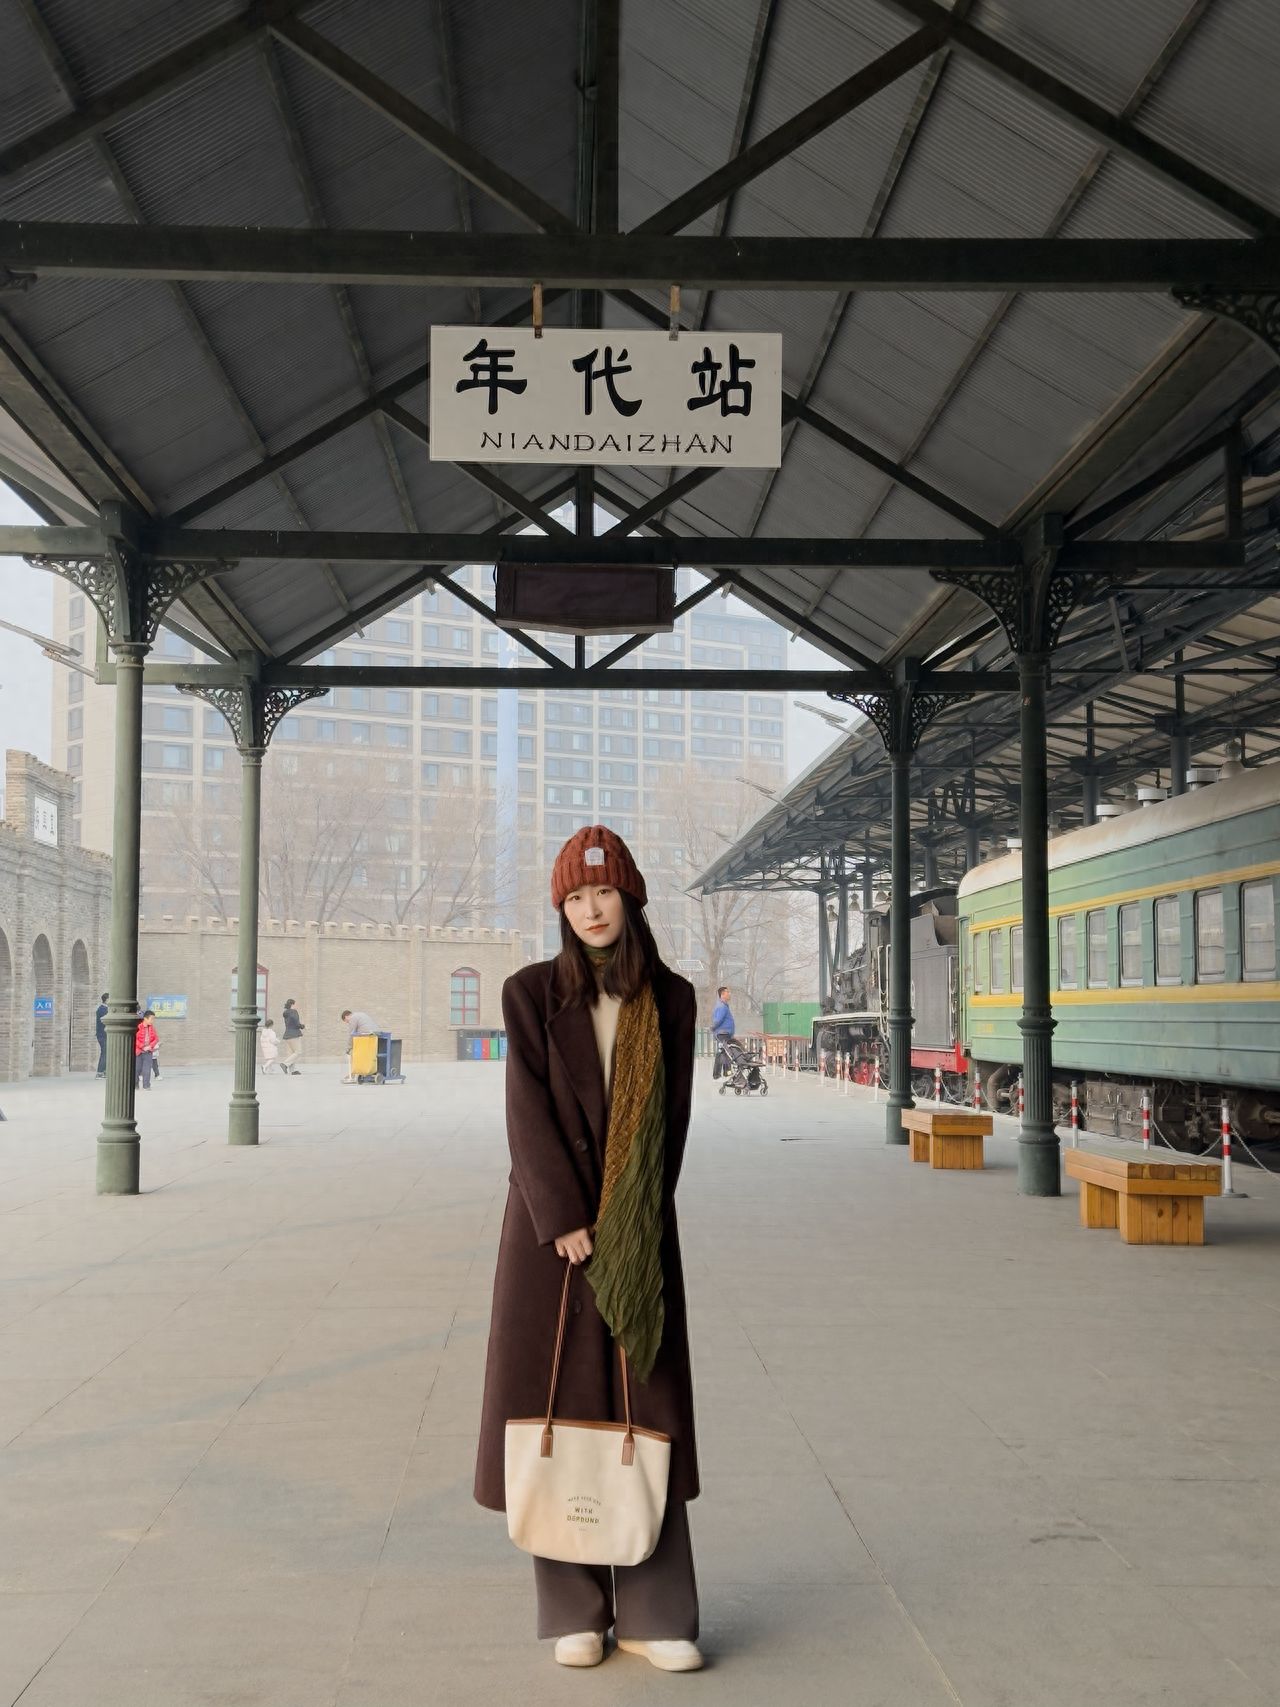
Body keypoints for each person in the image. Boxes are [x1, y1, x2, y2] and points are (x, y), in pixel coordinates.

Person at [475, 825, 703, 1674]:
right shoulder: (531, 992)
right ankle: (572, 1604)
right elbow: (524, 1112)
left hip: (637, 1231)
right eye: (575, 896)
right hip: (553, 1237)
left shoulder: (671, 1000)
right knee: (560, 1407)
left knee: (649, 1413)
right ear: (561, 909)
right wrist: (565, 1213)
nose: (591, 908)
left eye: (603, 892)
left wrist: (635, 1216)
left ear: (630, 896)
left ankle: (656, 1610)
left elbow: (671, 1122)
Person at [340, 1008, 380, 1082]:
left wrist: (348, 1048)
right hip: (375, 1034)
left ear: (346, 1017)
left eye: (346, 1021)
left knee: (354, 1052)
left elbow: (351, 1034)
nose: (348, 1023)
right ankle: (359, 1072)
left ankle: (353, 1074)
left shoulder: (352, 1018)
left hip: (368, 1035)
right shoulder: (360, 1014)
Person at [710, 984, 734, 1080]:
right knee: (727, 1052)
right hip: (723, 1033)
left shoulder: (723, 1006)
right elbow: (718, 1020)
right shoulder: (722, 1007)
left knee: (722, 1052)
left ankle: (721, 1073)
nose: (729, 994)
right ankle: (725, 1073)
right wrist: (713, 1027)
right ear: (722, 994)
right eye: (728, 992)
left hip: (723, 1033)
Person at [135, 1009, 158, 1090]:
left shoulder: (151, 1028)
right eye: (151, 1019)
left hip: (148, 1051)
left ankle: (146, 1085)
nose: (152, 1021)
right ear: (145, 1018)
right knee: (136, 1069)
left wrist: (150, 1046)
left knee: (147, 1069)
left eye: (153, 1019)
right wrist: (142, 1046)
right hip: (139, 1051)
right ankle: (135, 1084)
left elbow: (156, 1039)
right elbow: (134, 1039)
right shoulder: (138, 1027)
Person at [280, 999, 305, 1075]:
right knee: (298, 1052)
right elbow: (296, 1023)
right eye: (296, 1004)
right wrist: (302, 1026)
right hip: (294, 1034)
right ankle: (284, 1064)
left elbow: (291, 1022)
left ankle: (292, 1070)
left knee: (292, 1053)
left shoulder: (286, 1013)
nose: (297, 1006)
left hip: (287, 1035)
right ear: (292, 1004)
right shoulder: (294, 1012)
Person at [95, 992, 108, 1077]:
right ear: (107, 1000)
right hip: (102, 1035)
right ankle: (100, 1072)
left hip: (103, 1034)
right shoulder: (102, 1009)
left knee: (106, 1052)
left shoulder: (103, 1009)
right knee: (104, 1052)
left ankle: (104, 1071)